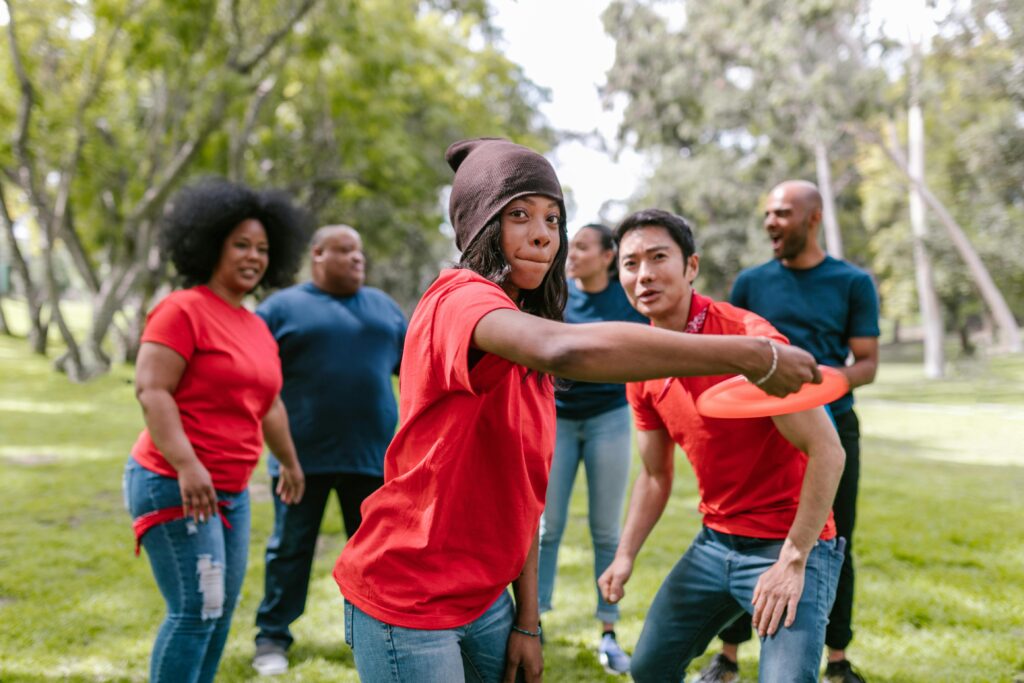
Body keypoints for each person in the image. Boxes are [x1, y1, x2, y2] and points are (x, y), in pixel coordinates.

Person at [332, 137, 823, 683]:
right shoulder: (458, 300)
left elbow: (523, 493)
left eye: (553, 218)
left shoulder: (524, 346)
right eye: (518, 214)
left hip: (488, 599)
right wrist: (747, 354)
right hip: (410, 595)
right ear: (479, 224)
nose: (542, 233)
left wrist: (526, 620)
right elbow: (566, 349)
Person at [597, 208, 847, 683]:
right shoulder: (642, 363)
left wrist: (792, 560)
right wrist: (625, 554)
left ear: (691, 266)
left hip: (790, 544)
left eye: (658, 257)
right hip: (715, 543)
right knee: (649, 669)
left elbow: (828, 450)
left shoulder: (750, 343)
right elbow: (654, 474)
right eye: (630, 264)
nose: (644, 274)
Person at [124, 179, 310, 683]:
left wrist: (290, 462)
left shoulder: (254, 325)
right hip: (174, 479)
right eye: (241, 245)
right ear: (211, 245)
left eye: (263, 249)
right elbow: (152, 390)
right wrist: (187, 465)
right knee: (196, 609)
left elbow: (268, 403)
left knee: (220, 610)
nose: (253, 257)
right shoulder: (182, 309)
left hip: (229, 490)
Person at [705, 180, 879, 683]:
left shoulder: (852, 282)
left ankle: (838, 660)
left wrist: (816, 388)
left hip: (831, 427)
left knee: (835, 539)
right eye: (767, 214)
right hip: (759, 433)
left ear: (813, 217)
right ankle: (729, 655)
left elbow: (866, 362)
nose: (770, 223)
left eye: (782, 213)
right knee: (747, 536)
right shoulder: (752, 283)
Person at [251, 225, 407, 675]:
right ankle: (272, 637)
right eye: (345, 251)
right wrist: (281, 457)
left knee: (376, 556)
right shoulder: (280, 309)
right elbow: (257, 382)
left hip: (373, 459)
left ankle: (380, 636)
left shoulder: (383, 308)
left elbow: (415, 373)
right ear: (317, 254)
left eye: (359, 251)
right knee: (290, 549)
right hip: (300, 461)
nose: (357, 259)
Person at [538, 223, 647, 675]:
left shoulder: (627, 300)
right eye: (572, 247)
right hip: (557, 418)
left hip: (609, 420)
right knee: (547, 527)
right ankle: (533, 623)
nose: (572, 254)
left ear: (607, 256)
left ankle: (609, 631)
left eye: (582, 247)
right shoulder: (554, 294)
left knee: (606, 531)